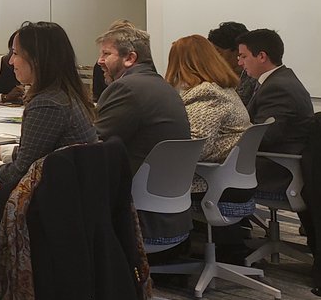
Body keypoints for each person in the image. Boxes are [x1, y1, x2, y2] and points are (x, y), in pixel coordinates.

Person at [0, 22, 97, 190]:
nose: (11, 61)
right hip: (74, 190)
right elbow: (34, 153)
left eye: (15, 53)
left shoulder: (47, 104)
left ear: (36, 60)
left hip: (50, 197)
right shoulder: (67, 95)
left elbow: (20, 174)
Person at [93, 20, 190, 175]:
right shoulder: (163, 85)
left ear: (130, 58)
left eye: (106, 54)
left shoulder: (125, 88)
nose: (100, 61)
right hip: (165, 181)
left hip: (134, 182)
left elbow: (95, 141)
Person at [165, 35, 250, 192]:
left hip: (207, 183)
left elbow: (196, 149)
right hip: (229, 178)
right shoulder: (223, 89)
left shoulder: (206, 92)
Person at [238, 28, 314, 190]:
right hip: (274, 163)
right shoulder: (281, 79)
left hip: (275, 170)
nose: (240, 63)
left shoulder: (277, 88)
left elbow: (262, 138)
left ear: (262, 56)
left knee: (200, 173)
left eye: (243, 56)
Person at [207, 20, 258, 104]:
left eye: (218, 52)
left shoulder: (257, 80)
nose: (214, 58)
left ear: (238, 50)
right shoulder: (213, 78)